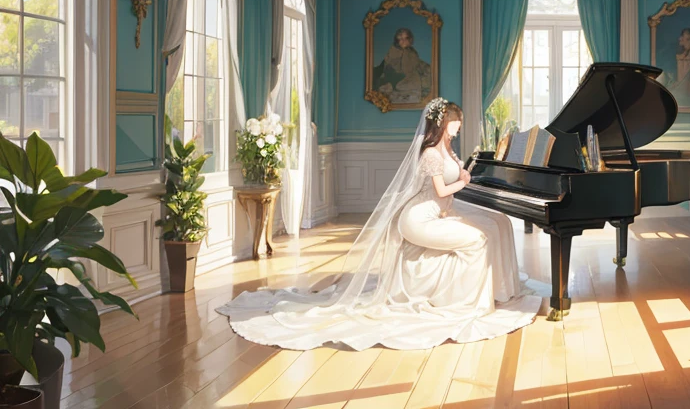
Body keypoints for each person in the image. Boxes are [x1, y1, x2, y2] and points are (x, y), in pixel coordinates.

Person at [217, 98, 541, 351]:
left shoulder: (448, 148)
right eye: (456, 124)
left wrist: (463, 175)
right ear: (443, 124)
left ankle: (498, 289)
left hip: (437, 213)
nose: (458, 128)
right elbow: (443, 190)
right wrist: (466, 180)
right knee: (478, 239)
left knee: (496, 223)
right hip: (418, 220)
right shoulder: (430, 152)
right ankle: (467, 302)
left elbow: (448, 186)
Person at [374, 28, 430, 103]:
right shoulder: (393, 51)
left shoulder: (412, 52)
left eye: (406, 38)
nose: (403, 41)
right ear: (397, 41)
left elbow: (417, 63)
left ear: (410, 40)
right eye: (400, 39)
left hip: (411, 78)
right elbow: (388, 65)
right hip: (397, 79)